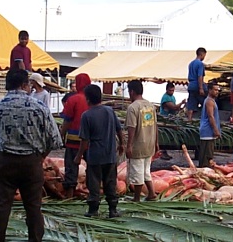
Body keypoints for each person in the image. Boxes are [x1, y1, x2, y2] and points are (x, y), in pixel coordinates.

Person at [0, 69, 63, 241]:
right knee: (33, 207)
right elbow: (55, 139)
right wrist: (42, 156)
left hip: (5, 161)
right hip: (31, 162)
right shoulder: (39, 107)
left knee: (2, 205)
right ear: (25, 84)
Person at [76, 84, 125, 218]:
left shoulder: (86, 115)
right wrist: (121, 144)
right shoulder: (109, 111)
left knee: (94, 183)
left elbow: (84, 140)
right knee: (111, 182)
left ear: (88, 99)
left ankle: (93, 210)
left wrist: (79, 156)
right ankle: (113, 210)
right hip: (110, 155)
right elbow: (119, 129)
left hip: (95, 156)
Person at [125, 80, 159, 202]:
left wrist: (129, 145)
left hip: (138, 145)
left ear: (132, 91)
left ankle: (137, 197)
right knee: (146, 171)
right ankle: (151, 193)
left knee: (137, 172)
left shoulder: (133, 107)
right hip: (149, 144)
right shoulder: (150, 105)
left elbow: (131, 127)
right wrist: (156, 142)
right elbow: (155, 125)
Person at [60, 73, 91, 198]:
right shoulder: (92, 99)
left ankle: (70, 194)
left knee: (71, 166)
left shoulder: (73, 99)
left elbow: (67, 120)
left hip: (73, 139)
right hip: (90, 140)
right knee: (92, 166)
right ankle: (91, 192)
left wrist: (62, 134)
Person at [197, 83, 221, 168]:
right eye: (215, 90)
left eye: (218, 90)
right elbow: (211, 116)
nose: (217, 92)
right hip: (208, 131)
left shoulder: (212, 101)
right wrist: (216, 130)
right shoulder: (209, 101)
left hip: (209, 132)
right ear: (210, 90)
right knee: (207, 157)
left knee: (208, 155)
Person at [186, 47, 207, 121]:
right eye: (204, 55)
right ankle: (205, 118)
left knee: (191, 103)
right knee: (207, 101)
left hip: (191, 85)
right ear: (202, 54)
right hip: (197, 85)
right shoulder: (200, 64)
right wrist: (201, 88)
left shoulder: (191, 63)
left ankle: (189, 120)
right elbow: (200, 76)